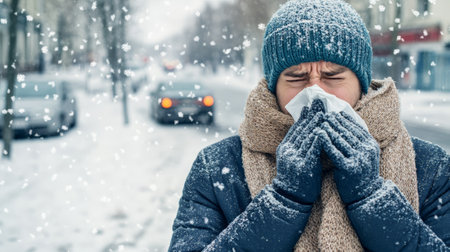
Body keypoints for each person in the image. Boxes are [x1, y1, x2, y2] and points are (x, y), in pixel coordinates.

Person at [169, 0, 450, 251]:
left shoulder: (431, 167)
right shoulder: (217, 167)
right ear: (273, 87)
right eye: (295, 77)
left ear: (362, 84)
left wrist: (370, 196)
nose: (315, 92)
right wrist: (284, 201)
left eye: (333, 76)